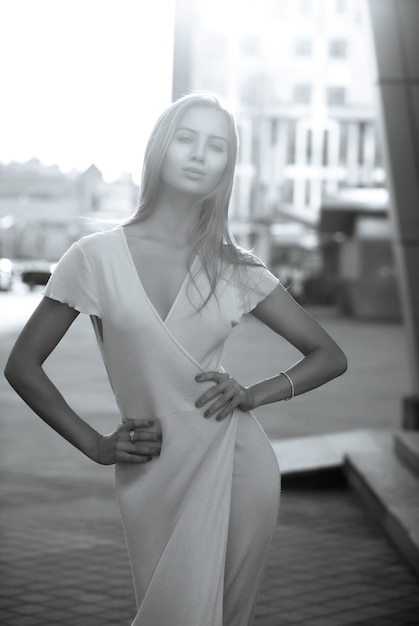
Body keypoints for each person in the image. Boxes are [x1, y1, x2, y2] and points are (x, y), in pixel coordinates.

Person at [4, 92, 347, 626]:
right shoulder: (94, 257)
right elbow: (22, 366)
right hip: (153, 469)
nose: (198, 154)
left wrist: (255, 392)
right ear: (160, 149)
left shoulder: (236, 267)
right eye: (186, 138)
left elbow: (329, 354)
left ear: (226, 167)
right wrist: (95, 444)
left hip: (237, 464)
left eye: (216, 146)